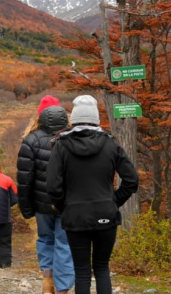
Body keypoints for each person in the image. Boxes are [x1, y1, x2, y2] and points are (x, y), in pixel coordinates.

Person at [46, 95, 139, 294]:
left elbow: (53, 187)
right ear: (96, 117)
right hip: (106, 214)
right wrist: (113, 201)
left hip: (75, 216)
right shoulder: (110, 143)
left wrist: (66, 206)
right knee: (102, 268)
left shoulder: (61, 145)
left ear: (75, 118)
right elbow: (131, 180)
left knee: (82, 271)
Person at [17, 95, 75, 294]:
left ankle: (47, 282)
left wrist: (25, 208)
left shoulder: (30, 140)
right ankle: (64, 288)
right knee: (65, 242)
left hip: (42, 205)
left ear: (40, 116)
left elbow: (25, 180)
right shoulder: (74, 138)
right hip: (68, 204)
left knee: (45, 239)